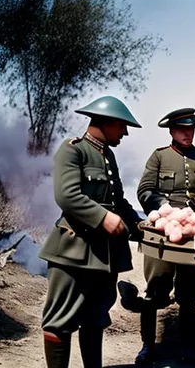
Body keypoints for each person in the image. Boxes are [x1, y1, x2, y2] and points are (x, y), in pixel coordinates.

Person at [38, 96, 145, 368]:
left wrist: (138, 223)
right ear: (107, 122)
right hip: (74, 250)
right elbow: (67, 196)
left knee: (95, 317)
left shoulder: (107, 155)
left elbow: (118, 201)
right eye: (122, 125)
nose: (125, 132)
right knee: (59, 320)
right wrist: (103, 218)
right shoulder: (73, 150)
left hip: (103, 254)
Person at [120, 107, 195, 365]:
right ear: (172, 131)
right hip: (163, 233)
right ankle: (147, 345)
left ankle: (187, 344)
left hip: (193, 233)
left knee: (190, 294)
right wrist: (164, 209)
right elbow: (145, 190)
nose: (187, 133)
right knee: (155, 290)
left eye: (191, 129)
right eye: (182, 129)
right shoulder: (159, 157)